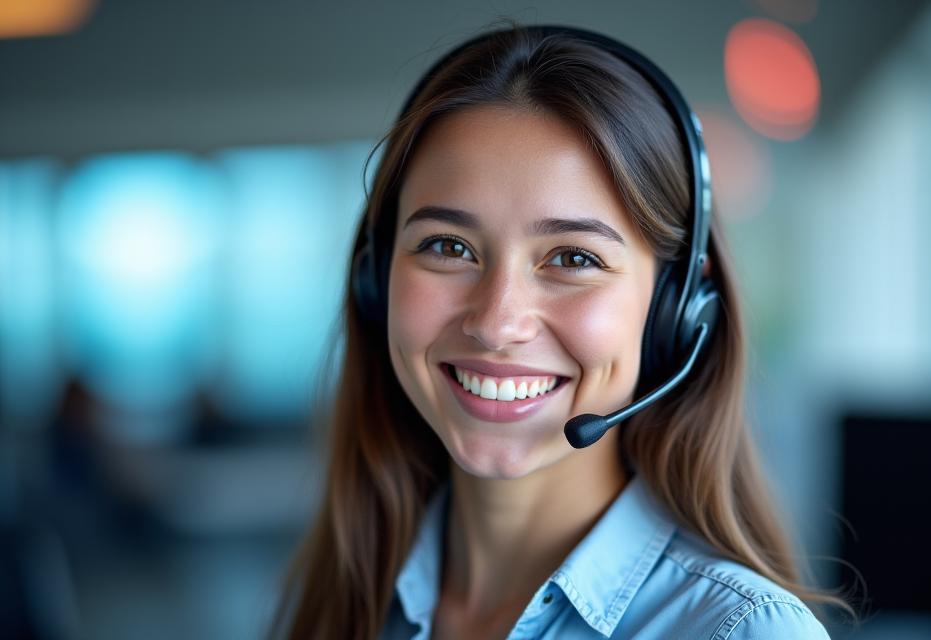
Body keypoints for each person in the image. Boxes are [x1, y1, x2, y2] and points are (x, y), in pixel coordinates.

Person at [271, 22, 851, 640]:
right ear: (375, 280)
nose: (497, 324)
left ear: (675, 308)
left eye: (573, 258)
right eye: (447, 246)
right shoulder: (350, 599)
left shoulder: (739, 631)